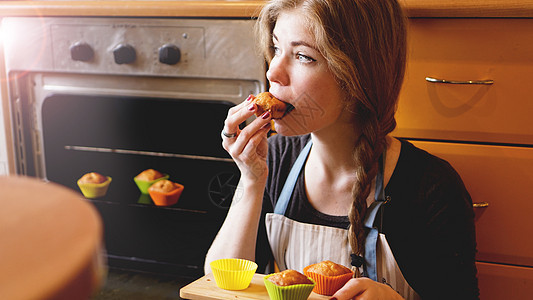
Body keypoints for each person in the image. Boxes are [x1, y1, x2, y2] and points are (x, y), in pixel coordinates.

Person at [205, 0, 479, 299]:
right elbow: (219, 283)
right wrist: (251, 179)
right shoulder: (276, 157)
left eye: (302, 56)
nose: (273, 73)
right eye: (276, 48)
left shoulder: (430, 186)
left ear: (357, 75)